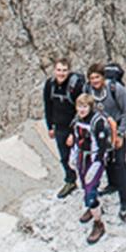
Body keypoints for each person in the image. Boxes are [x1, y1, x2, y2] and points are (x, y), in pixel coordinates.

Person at [86, 62, 126, 221]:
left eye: (97, 77)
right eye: (92, 78)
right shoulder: (88, 91)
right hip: (100, 130)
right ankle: (112, 184)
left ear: (103, 77)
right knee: (106, 161)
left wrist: (120, 133)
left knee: (119, 162)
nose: (95, 81)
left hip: (116, 128)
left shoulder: (116, 89)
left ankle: (125, 200)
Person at [39, 57, 87, 198]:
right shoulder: (50, 85)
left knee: (81, 156)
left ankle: (87, 183)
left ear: (69, 71)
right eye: (59, 70)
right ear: (54, 70)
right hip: (59, 126)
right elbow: (48, 106)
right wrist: (50, 126)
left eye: (64, 70)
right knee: (64, 157)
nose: (61, 73)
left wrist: (73, 133)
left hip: (75, 127)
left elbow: (82, 110)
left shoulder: (76, 86)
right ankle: (70, 181)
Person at [68, 93, 112, 244]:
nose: (82, 110)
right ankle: (93, 208)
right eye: (79, 106)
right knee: (83, 185)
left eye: (85, 107)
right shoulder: (77, 120)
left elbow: (102, 147)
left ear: (90, 107)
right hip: (82, 157)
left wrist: (96, 166)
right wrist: (73, 156)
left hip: (94, 159)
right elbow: (75, 139)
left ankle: (98, 223)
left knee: (90, 191)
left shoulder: (97, 122)